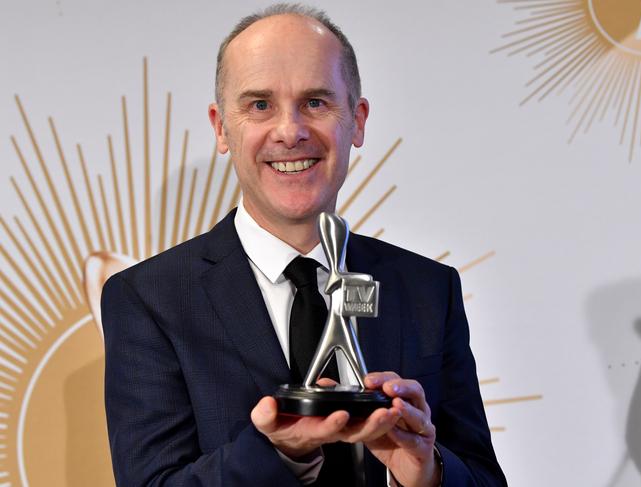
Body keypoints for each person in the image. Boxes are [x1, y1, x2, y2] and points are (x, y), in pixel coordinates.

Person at [101, 4, 507, 486]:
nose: (290, 131)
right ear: (220, 127)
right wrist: (279, 453)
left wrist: (427, 472)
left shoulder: (427, 290)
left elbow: (483, 476)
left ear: (356, 121)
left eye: (316, 102)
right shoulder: (150, 298)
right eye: (259, 105)